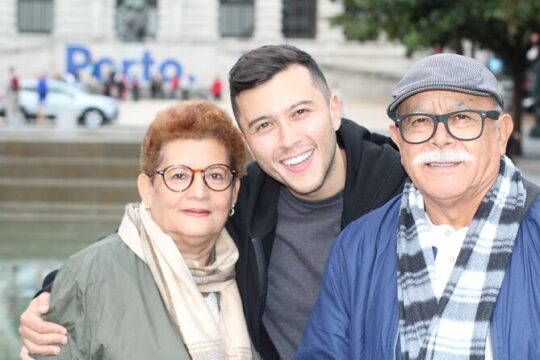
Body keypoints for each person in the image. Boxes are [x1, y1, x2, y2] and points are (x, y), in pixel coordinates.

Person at [19, 45, 407, 359]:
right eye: (264, 125)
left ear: (334, 110)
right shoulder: (243, 199)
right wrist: (55, 293)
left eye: (301, 112)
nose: (288, 139)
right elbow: (154, 234)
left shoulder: (402, 187)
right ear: (248, 140)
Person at [296, 53, 540, 359]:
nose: (440, 139)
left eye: (462, 118)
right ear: (398, 139)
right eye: (420, 121)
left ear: (502, 133)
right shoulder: (356, 248)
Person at [30, 100, 259, 359]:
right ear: (147, 190)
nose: (199, 192)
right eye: (179, 176)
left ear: (234, 193)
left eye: (215, 175)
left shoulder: (250, 274)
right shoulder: (90, 277)